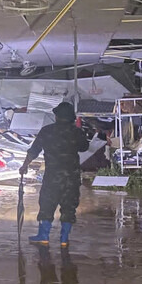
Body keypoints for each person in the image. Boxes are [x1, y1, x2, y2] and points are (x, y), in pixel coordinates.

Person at [19, 102, 89, 246]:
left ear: (56, 116)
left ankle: (43, 236)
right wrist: (77, 131)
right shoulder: (76, 132)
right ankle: (64, 239)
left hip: (52, 177)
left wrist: (24, 165)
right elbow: (84, 147)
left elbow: (34, 150)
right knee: (69, 206)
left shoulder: (47, 131)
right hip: (72, 177)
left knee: (47, 204)